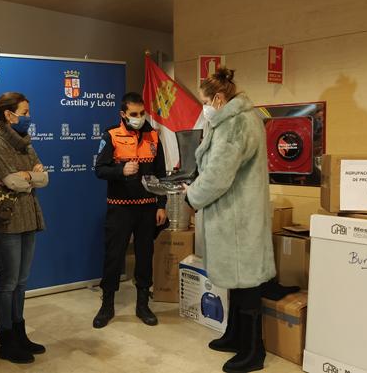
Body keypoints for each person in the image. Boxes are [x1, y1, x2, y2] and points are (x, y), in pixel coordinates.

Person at [184, 67, 276, 373]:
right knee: (237, 281)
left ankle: (254, 350)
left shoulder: (235, 124)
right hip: (233, 217)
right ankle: (236, 335)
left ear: (219, 98)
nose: (204, 107)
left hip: (239, 219)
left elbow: (219, 176)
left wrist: (191, 195)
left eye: (204, 101)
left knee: (247, 283)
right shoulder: (227, 120)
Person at [0, 92, 48, 364]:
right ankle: (5, 339)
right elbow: (12, 183)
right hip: (5, 220)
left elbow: (43, 178)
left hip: (29, 215)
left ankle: (19, 332)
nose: (28, 117)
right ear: (9, 114)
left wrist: (29, 176)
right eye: (25, 111)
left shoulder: (25, 143)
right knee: (7, 283)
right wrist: (30, 176)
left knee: (21, 282)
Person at [93, 92, 167, 328]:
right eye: (133, 114)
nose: (139, 118)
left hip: (147, 209)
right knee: (114, 257)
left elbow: (161, 175)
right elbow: (100, 169)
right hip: (119, 208)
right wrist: (121, 171)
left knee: (145, 257)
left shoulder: (154, 135)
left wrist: (161, 205)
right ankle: (107, 305)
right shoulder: (111, 135)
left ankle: (143, 304)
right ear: (123, 114)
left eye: (142, 113)